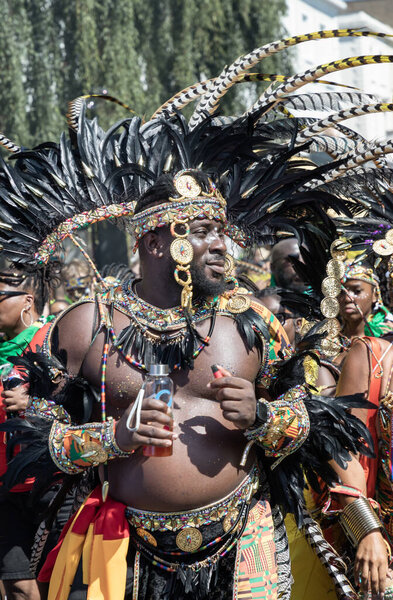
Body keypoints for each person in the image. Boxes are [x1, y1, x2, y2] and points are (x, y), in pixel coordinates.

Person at [0, 27, 392, 599]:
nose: (221, 247)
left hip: (244, 546)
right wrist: (112, 436)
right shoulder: (89, 324)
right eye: (205, 231)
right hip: (122, 554)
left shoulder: (250, 323)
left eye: (223, 232)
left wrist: (262, 416)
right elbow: (26, 427)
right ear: (158, 242)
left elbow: (312, 425)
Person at [0, 267, 59, 600]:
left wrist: (34, 401)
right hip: (5, 488)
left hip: (50, 488)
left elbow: (88, 399)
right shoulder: (2, 352)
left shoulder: (57, 339)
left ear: (27, 301)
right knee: (18, 587)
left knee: (49, 585)